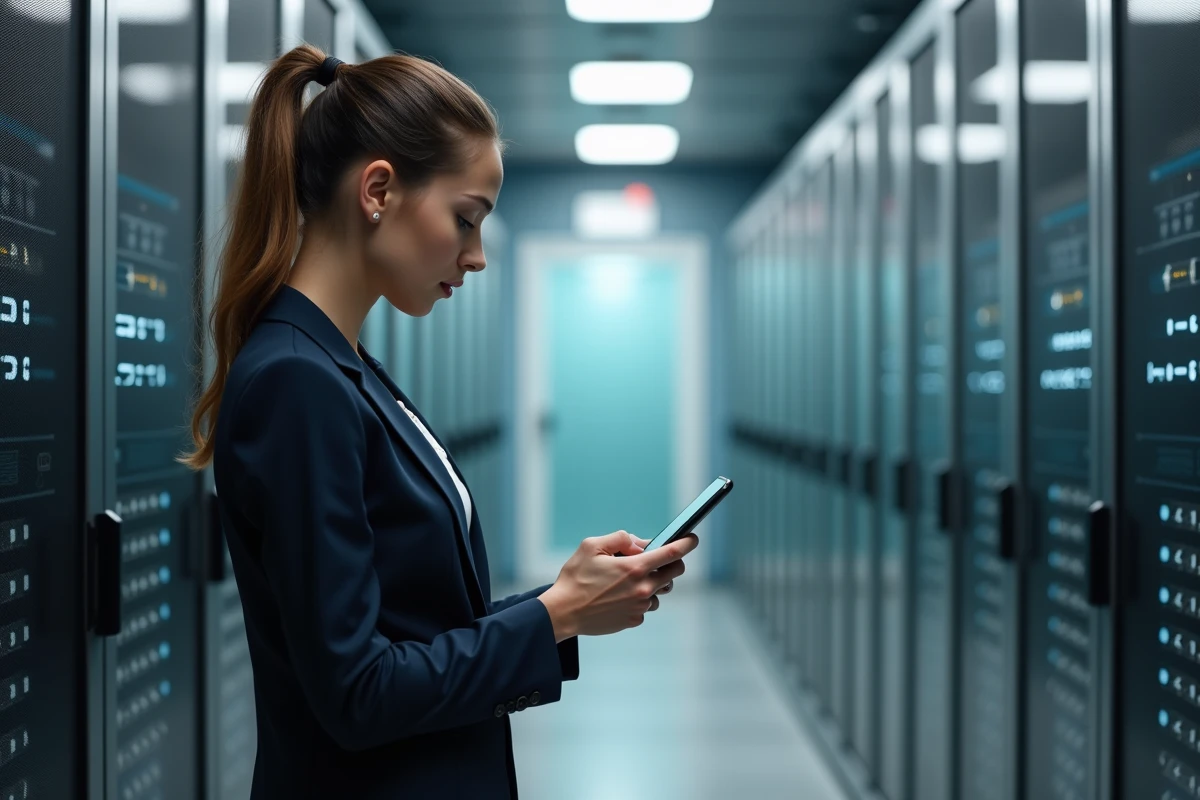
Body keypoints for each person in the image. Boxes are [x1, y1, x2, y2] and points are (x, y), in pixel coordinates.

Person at [181, 44, 697, 799]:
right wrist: (552, 616)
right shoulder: (299, 380)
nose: (477, 255)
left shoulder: (341, 365)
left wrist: (567, 603)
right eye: (466, 219)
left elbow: (409, 627)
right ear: (379, 190)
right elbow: (359, 692)